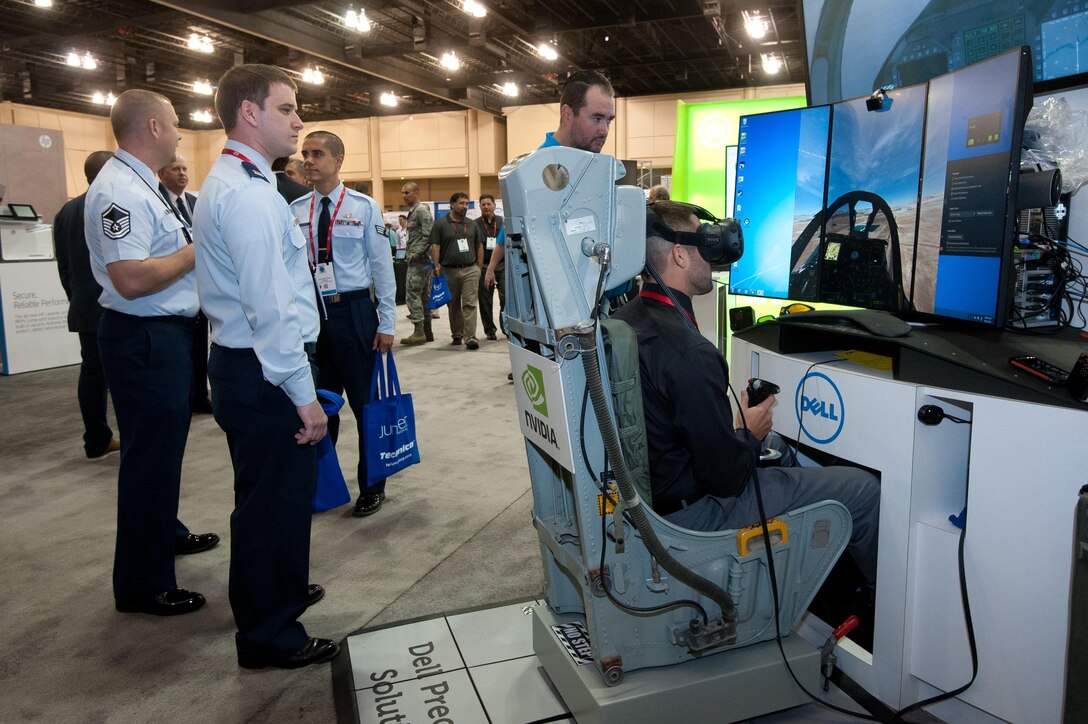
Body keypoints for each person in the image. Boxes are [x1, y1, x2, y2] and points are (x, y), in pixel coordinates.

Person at [612, 201, 880, 587]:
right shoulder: (690, 352)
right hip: (693, 515)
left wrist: (744, 434)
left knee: (780, 448)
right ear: (679, 255)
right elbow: (725, 479)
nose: (713, 260)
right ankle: (874, 609)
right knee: (863, 488)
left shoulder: (622, 322)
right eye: (705, 247)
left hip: (649, 500)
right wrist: (747, 433)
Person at [193, 64, 337, 670]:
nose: (299, 120)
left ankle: (273, 596)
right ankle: (268, 633)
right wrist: (304, 397)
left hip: (247, 367)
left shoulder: (235, 183)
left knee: (265, 499)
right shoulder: (249, 196)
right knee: (272, 506)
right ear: (249, 113)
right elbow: (270, 312)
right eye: (287, 108)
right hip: (265, 371)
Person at [84, 90, 218, 618]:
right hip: (143, 336)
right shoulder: (119, 190)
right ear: (154, 127)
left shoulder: (144, 184)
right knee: (149, 460)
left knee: (163, 454)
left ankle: (166, 534)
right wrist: (196, 247)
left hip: (165, 334)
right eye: (177, 124)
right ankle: (143, 584)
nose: (182, 133)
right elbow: (132, 277)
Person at [291, 130, 396, 518]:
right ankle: (321, 485)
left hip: (353, 313)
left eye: (317, 153)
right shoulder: (295, 210)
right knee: (318, 404)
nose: (309, 161)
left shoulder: (365, 207)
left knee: (365, 405)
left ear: (338, 160)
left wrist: (386, 321)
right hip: (312, 315)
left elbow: (382, 268)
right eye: (305, 154)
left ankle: (372, 485)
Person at [486, 70, 616, 293]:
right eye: (596, 118)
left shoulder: (594, 170)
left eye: (609, 120)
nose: (604, 130)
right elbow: (510, 240)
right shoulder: (532, 175)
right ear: (567, 114)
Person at [54, 150, 119, 460]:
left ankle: (96, 437)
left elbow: (64, 267)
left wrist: (76, 297)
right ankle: (123, 435)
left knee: (92, 373)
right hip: (112, 305)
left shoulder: (66, 210)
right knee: (120, 374)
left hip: (84, 305)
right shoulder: (111, 205)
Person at [158, 154, 212, 414]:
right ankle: (183, 399)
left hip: (199, 289)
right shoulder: (157, 201)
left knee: (201, 349)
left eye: (184, 168)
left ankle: (200, 396)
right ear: (161, 174)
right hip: (173, 290)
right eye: (175, 169)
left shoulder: (194, 202)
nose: (182, 173)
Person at [430, 192, 484, 349]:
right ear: (452, 205)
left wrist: (478, 268)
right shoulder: (441, 224)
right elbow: (435, 245)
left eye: (466, 204)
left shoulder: (472, 224)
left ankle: (471, 338)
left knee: (470, 304)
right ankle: (457, 334)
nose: (464, 207)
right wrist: (436, 265)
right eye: (461, 203)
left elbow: (479, 245)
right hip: (449, 271)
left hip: (469, 270)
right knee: (453, 305)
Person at [399, 181, 434, 345]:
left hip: (419, 262)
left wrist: (415, 254)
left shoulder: (421, 211)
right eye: (403, 193)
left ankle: (419, 331)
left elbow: (429, 236)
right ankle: (427, 332)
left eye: (407, 193)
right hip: (418, 261)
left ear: (416, 193)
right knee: (422, 296)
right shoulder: (413, 212)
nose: (404, 196)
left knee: (412, 295)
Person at [474, 194, 503, 341]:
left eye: (488, 204)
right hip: (484, 265)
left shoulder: (503, 222)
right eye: (483, 204)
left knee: (505, 297)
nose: (486, 207)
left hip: (502, 265)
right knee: (485, 299)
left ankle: (506, 327)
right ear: (479, 207)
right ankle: (490, 330)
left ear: (494, 205)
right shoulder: (475, 224)